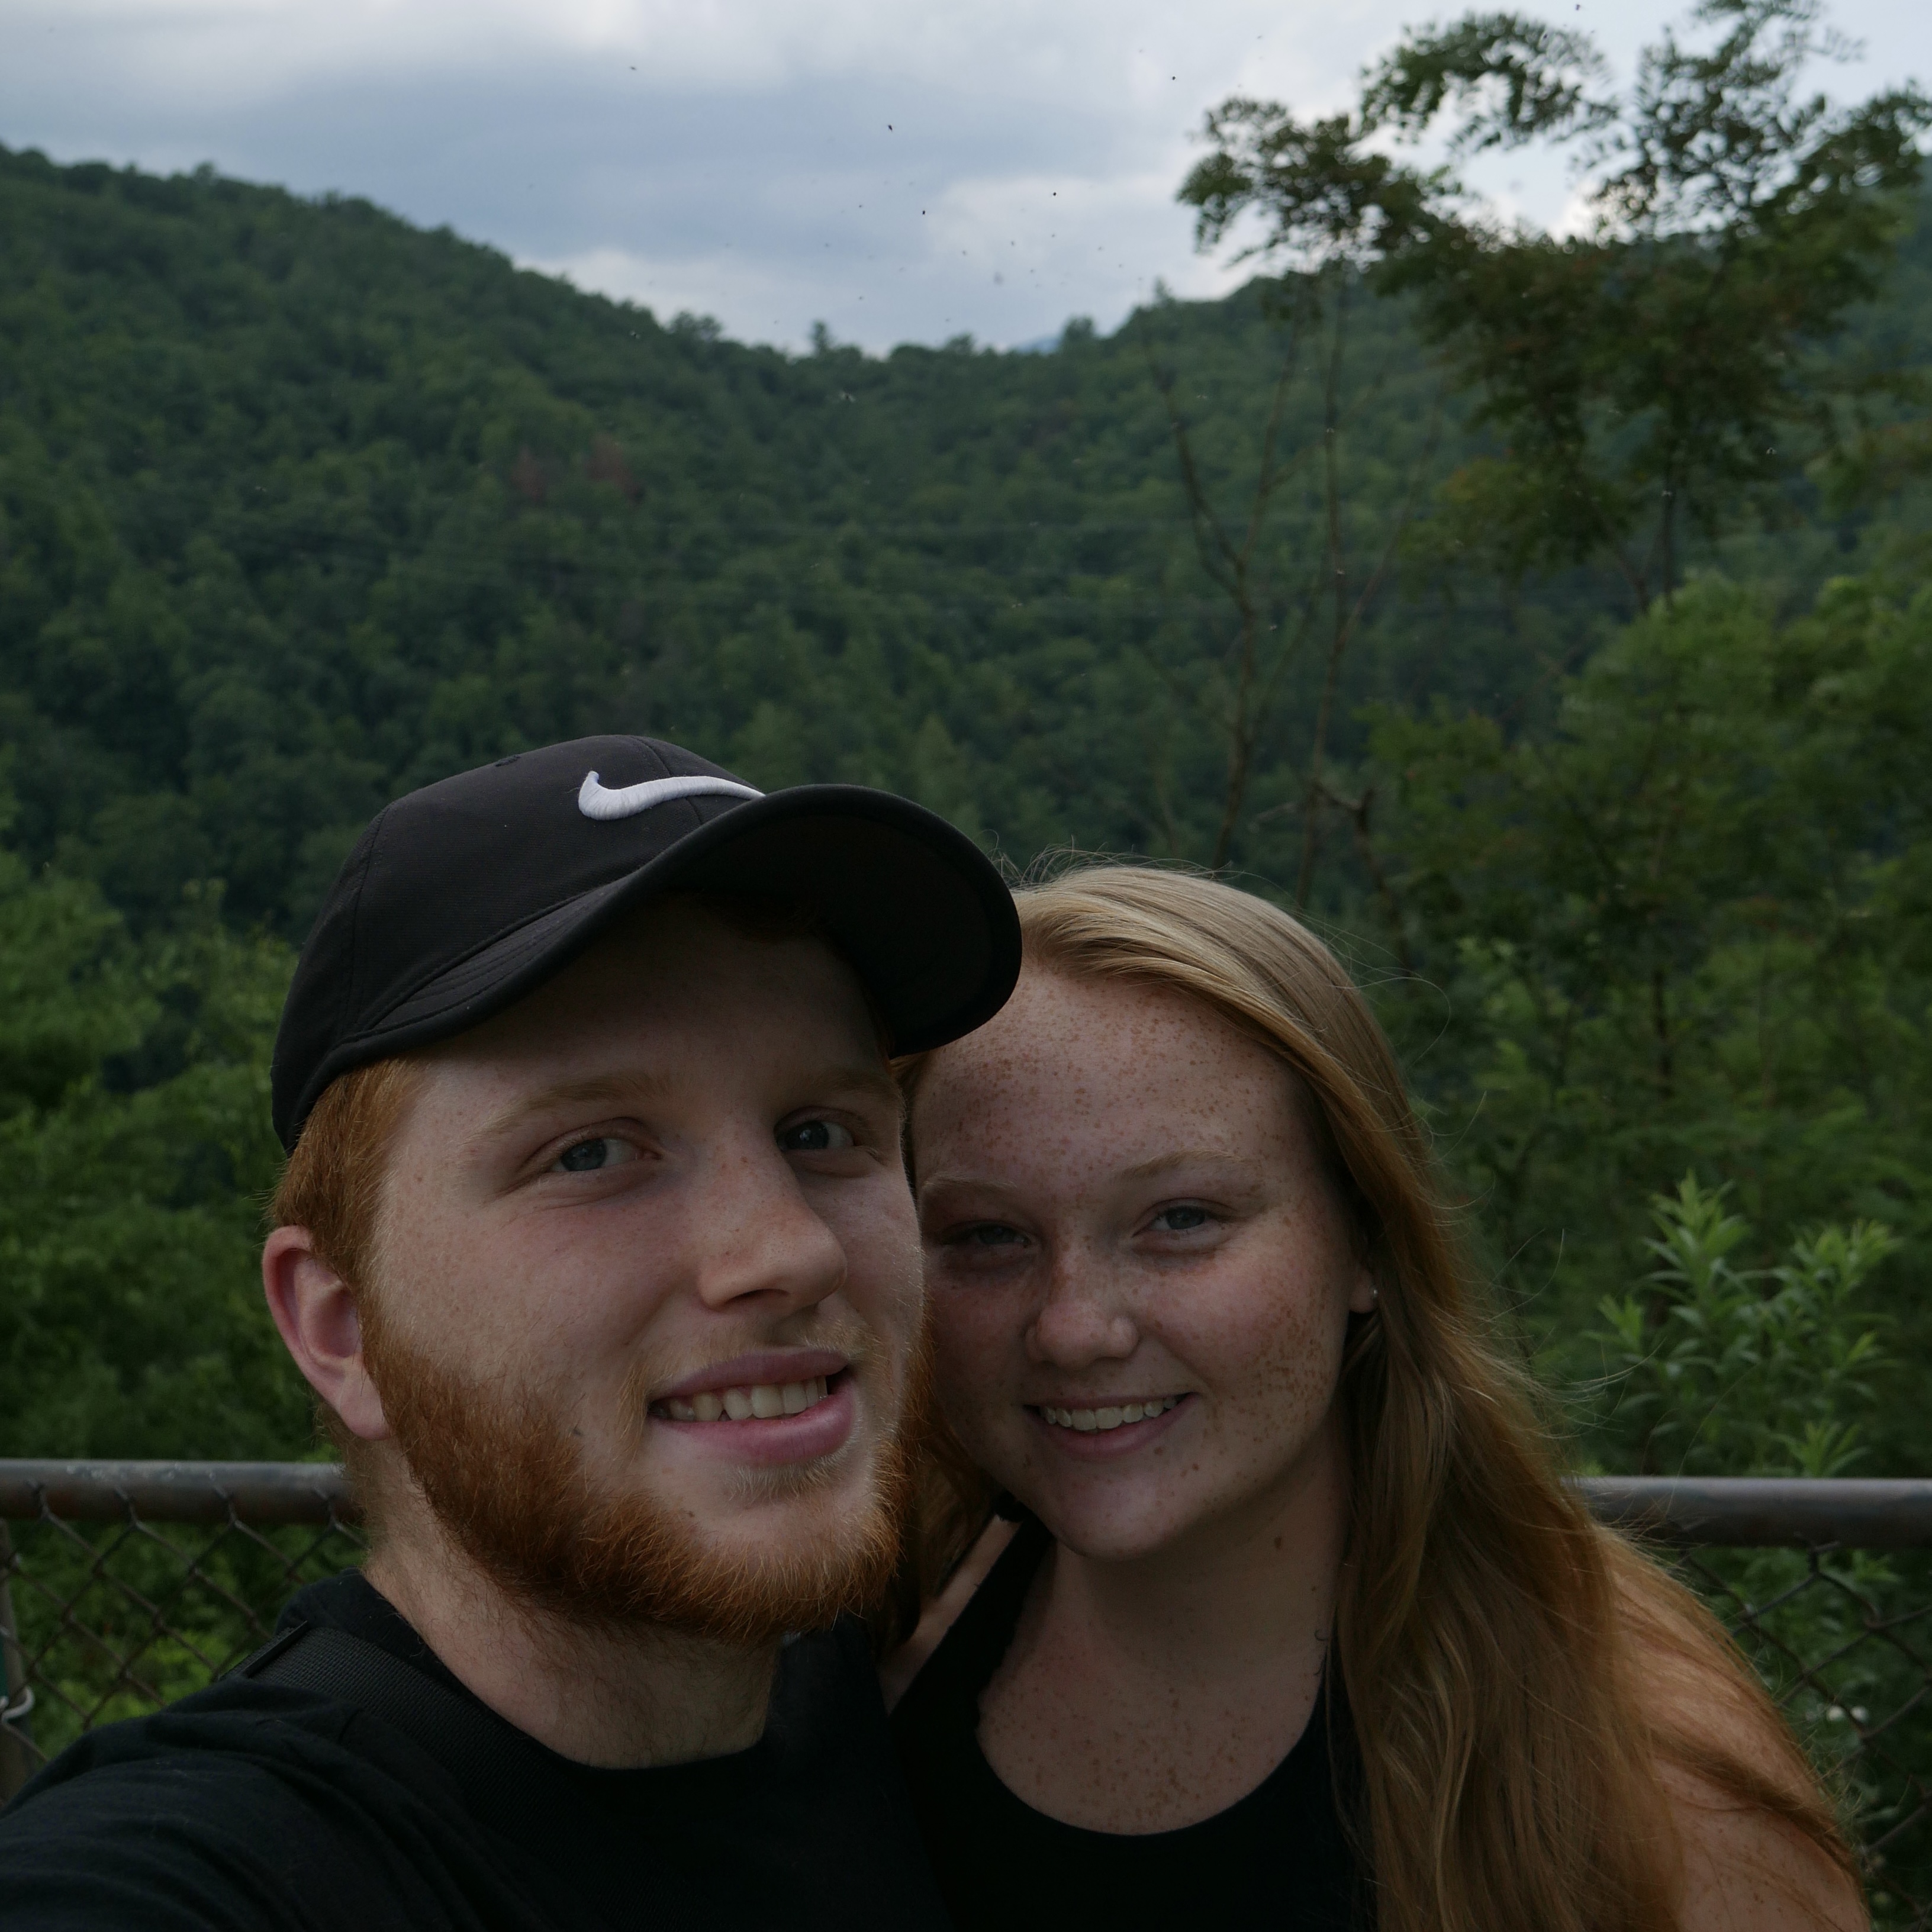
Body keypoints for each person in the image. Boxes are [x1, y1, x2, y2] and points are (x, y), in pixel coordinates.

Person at [0, 734, 1019, 1932]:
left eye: (821, 1131)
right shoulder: (222, 1864)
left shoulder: (930, 1709)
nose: (789, 1250)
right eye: (590, 1153)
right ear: (342, 1327)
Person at [887, 863, 1865, 1932]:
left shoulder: (1641, 1780)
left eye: (1181, 1219)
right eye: (987, 1237)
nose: (1074, 1328)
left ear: (1364, 1239)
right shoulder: (863, 1648)